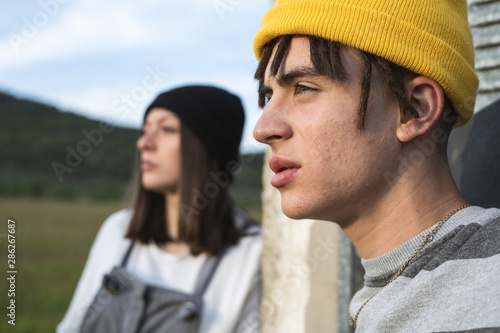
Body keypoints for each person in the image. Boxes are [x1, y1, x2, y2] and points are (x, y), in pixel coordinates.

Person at [251, 0, 500, 332]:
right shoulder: (381, 293)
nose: (263, 129)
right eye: (269, 97)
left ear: (415, 109)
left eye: (304, 89)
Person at [57, 85, 262, 333]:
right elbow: (72, 327)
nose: (144, 143)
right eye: (145, 130)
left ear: (210, 150)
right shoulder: (117, 230)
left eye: (167, 129)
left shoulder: (251, 254)